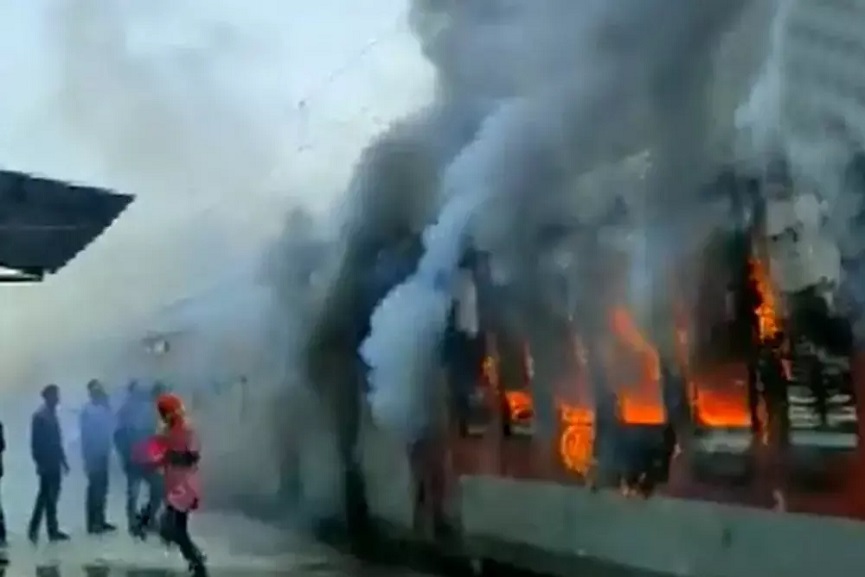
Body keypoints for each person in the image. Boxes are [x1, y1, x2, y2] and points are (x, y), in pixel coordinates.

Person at [134, 392, 207, 577]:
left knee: (173, 528)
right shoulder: (165, 432)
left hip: (185, 487)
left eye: (165, 411)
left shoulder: (187, 429)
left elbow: (192, 456)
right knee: (174, 528)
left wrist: (168, 455)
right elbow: (154, 454)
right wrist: (150, 461)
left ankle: (196, 560)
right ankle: (194, 559)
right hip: (174, 486)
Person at [115, 380, 162, 535]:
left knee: (158, 488)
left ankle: (148, 518)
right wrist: (125, 455)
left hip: (147, 458)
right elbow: (119, 436)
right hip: (133, 458)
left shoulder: (149, 410)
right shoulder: (125, 411)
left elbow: (152, 435)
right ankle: (133, 523)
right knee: (133, 492)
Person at [28, 384, 69, 543]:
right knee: (45, 497)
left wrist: (63, 461)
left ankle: (50, 529)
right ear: (48, 397)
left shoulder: (51, 415)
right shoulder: (40, 416)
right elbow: (36, 443)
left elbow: (57, 441)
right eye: (55, 395)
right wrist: (39, 463)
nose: (58, 398)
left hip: (54, 461)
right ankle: (34, 529)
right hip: (46, 462)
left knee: (51, 497)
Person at [79, 379, 117, 534]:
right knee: (94, 489)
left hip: (103, 452)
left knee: (102, 488)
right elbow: (86, 436)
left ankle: (100, 519)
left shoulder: (103, 409)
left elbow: (110, 426)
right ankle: (92, 523)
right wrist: (86, 457)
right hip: (93, 454)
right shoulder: (87, 411)